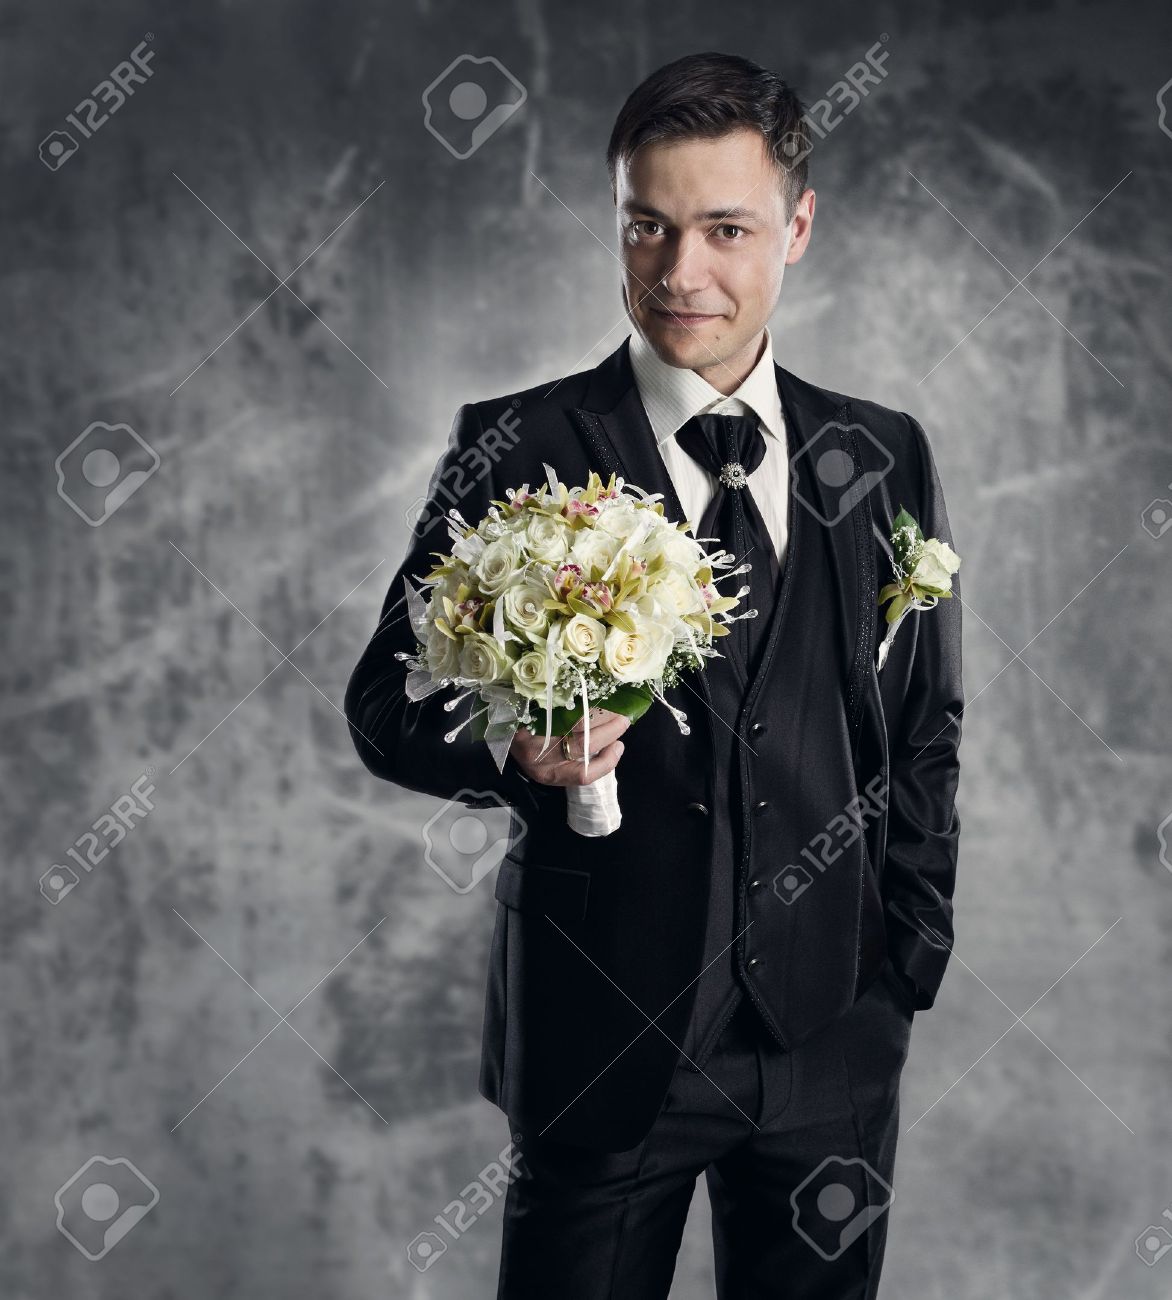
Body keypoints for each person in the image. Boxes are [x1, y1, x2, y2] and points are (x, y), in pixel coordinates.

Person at [345, 49, 964, 1300]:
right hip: (601, 1031)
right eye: (647, 227)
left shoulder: (880, 452)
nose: (681, 273)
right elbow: (384, 707)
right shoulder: (517, 442)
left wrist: (904, 959)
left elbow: (923, 722)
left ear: (796, 226)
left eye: (724, 229)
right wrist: (512, 757)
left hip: (831, 1036)